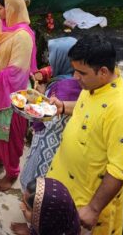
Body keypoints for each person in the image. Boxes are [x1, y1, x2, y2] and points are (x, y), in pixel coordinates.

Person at [46, 34, 123, 235]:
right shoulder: (94, 85)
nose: (75, 77)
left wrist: (93, 208)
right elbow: (88, 111)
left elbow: (119, 169)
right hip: (64, 182)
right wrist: (62, 107)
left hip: (83, 201)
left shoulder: (122, 111)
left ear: (103, 72)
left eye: (81, 72)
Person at [0, 0, 37, 192]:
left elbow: (17, 72)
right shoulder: (4, 24)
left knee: (11, 135)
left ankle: (12, 171)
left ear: (12, 9)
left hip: (13, 95)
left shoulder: (22, 36)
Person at [19, 37, 82, 193]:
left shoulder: (63, 88)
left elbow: (49, 119)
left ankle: (34, 211)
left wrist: (33, 103)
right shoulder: (75, 80)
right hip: (65, 142)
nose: (50, 60)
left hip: (49, 143)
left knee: (38, 183)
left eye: (52, 56)